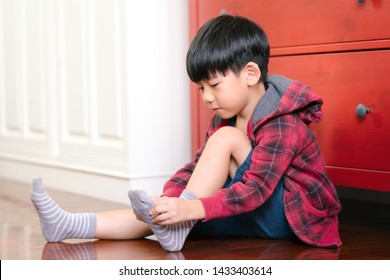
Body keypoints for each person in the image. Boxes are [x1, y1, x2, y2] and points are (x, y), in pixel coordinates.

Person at [30, 15, 342, 252]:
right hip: (251, 207)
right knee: (162, 214)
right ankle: (69, 224)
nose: (207, 97)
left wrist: (191, 207)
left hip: (293, 218)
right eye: (201, 88)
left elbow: (256, 189)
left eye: (214, 86)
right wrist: (171, 201)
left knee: (217, 157)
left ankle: (181, 219)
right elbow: (197, 167)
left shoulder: (281, 123)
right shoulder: (226, 115)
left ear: (250, 74)